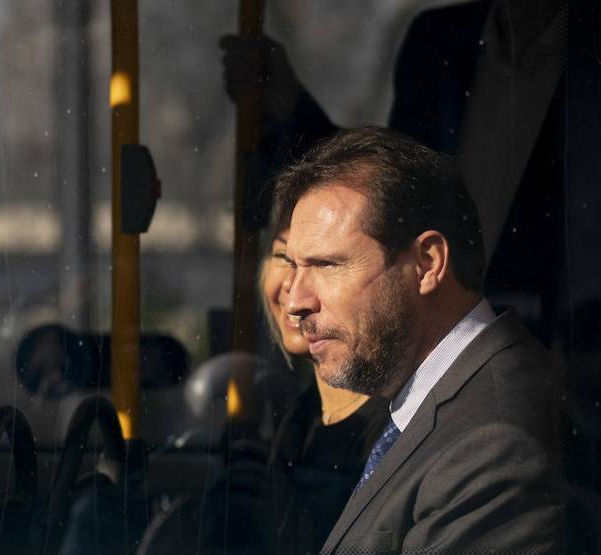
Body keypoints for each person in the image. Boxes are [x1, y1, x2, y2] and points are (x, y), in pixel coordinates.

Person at [220, 0, 601, 344]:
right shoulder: (439, 42)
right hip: (437, 341)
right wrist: (287, 103)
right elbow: (386, 187)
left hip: (565, 355)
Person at [274, 126, 566, 555]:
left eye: (327, 265)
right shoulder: (438, 403)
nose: (295, 302)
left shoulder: (495, 446)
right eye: (293, 266)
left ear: (427, 264)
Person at [259, 218, 389, 555]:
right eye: (283, 258)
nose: (294, 288)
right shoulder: (296, 416)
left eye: (323, 263)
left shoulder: (397, 427)